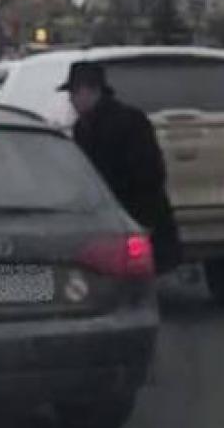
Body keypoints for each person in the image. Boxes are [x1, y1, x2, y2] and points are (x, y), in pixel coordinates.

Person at [60, 61, 182, 274]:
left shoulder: (129, 121)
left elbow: (149, 173)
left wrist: (140, 217)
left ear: (91, 91)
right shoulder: (82, 127)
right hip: (106, 218)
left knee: (138, 277)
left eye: (74, 93)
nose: (71, 100)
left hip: (137, 215)